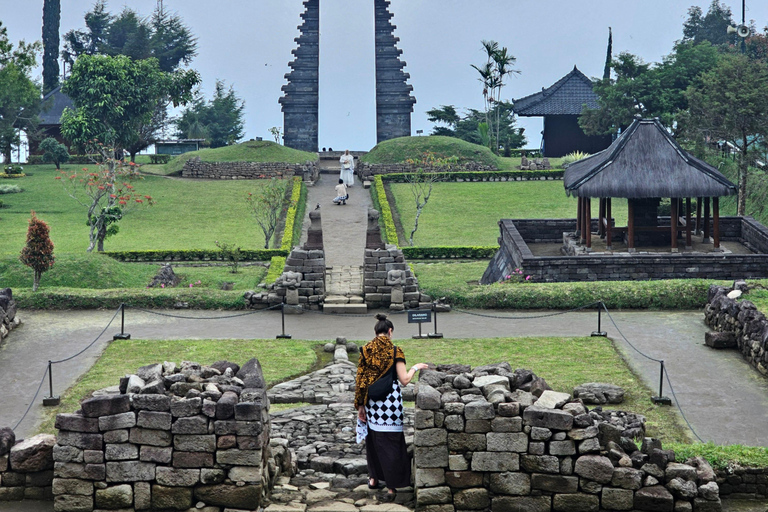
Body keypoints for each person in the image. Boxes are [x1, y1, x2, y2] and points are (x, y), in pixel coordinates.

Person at [355, 314, 429, 499]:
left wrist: (360, 407)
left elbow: (360, 381)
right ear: (390, 332)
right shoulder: (396, 351)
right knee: (392, 444)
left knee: (374, 441)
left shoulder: (365, 350)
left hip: (372, 403)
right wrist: (415, 367)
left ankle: (373, 478)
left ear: (375, 332)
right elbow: (404, 380)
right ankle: (391, 486)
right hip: (391, 405)